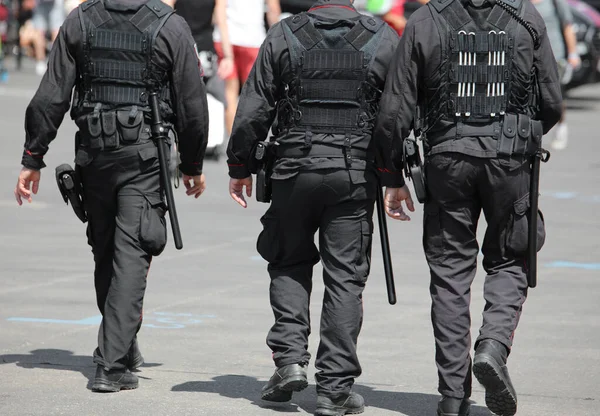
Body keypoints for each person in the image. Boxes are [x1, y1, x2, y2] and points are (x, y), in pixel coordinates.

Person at [374, 0, 562, 414]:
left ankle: (453, 397)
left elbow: (394, 110)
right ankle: (493, 345)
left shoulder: (426, 19)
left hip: (446, 159)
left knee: (449, 275)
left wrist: (391, 177)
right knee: (511, 257)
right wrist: (516, 138)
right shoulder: (525, 17)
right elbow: (551, 101)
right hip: (509, 160)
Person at [14, 0, 209, 393]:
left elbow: (52, 94)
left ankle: (121, 343)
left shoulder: (81, 19)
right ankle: (111, 364)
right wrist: (193, 165)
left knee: (106, 252)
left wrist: (33, 156)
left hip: (95, 154)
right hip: (143, 157)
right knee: (131, 255)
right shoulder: (169, 26)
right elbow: (191, 103)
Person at [226, 1, 403, 414]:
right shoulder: (381, 37)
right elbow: (398, 111)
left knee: (288, 261)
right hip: (354, 172)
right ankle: (334, 389)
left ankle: (289, 362)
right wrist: (392, 172)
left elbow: (254, 107)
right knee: (345, 277)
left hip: (293, 168)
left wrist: (240, 166)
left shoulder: (285, 33)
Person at [213, 0, 281, 134]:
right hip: (252, 38)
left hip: (226, 38)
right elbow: (273, 10)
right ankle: (249, 142)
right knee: (253, 94)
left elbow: (219, 9)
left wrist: (227, 53)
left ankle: (231, 145)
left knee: (230, 95)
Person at [174, 0, 234, 132]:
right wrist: (228, 57)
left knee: (180, 101)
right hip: (206, 53)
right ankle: (226, 145)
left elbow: (165, 11)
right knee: (222, 99)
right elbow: (222, 22)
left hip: (181, 48)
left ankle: (180, 145)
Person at [531, 0, 580, 150]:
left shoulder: (555, 2)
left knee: (555, 95)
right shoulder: (523, 2)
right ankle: (531, 132)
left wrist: (573, 53)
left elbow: (567, 27)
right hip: (531, 56)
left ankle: (561, 127)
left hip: (555, 57)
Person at [31, 0, 65, 74]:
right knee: (56, 31)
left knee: (39, 32)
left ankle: (40, 61)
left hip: (41, 3)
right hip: (56, 3)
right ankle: (55, 61)